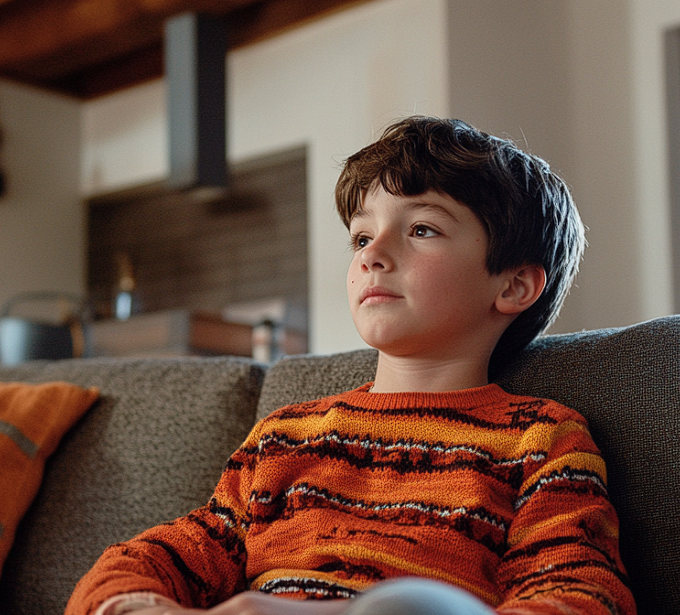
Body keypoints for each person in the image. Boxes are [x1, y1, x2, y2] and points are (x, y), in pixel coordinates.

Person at [66, 117, 636, 615]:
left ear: (513, 285)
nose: (371, 253)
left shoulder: (542, 439)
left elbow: (579, 595)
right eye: (361, 235)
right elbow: (159, 556)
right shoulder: (285, 438)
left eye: (421, 229)